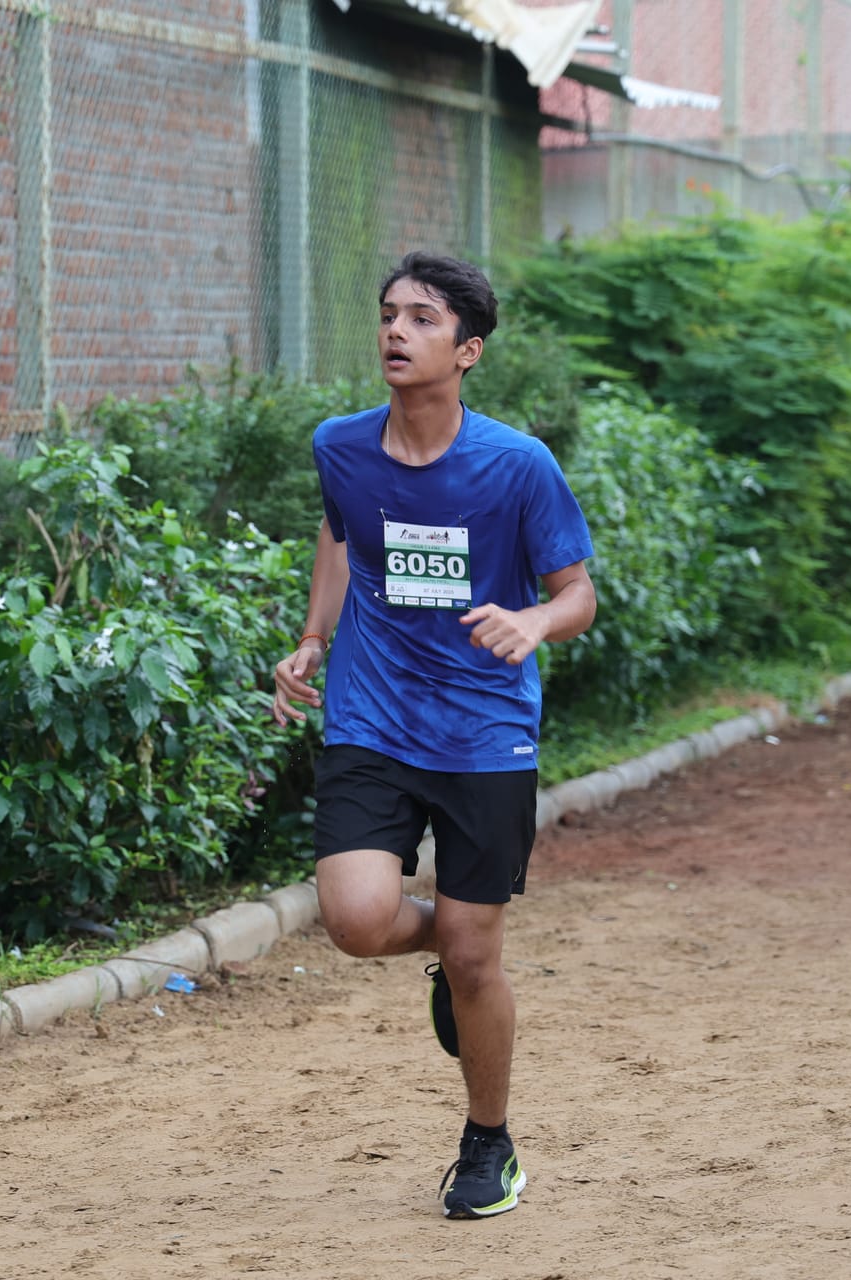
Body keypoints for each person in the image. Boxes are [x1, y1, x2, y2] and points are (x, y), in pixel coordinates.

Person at [271, 251, 596, 1219]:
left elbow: (576, 591)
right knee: (358, 919)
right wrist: (314, 637)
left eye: (421, 318)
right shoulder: (343, 445)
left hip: (485, 729)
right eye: (387, 315)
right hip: (372, 717)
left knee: (476, 949)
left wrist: (535, 623)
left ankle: (489, 1141)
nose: (396, 332)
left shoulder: (516, 464)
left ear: (470, 349)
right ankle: (448, 954)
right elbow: (340, 533)